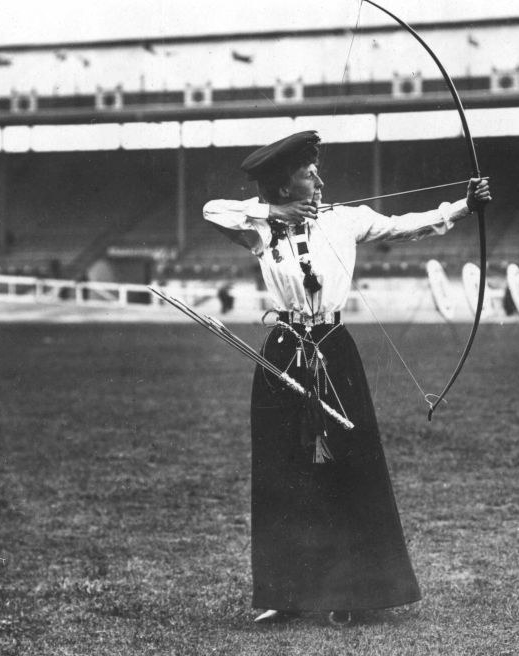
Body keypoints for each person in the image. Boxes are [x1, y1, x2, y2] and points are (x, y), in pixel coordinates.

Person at [202, 130, 490, 626]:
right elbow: (211, 209)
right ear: (285, 185)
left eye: (316, 170)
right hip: (283, 351)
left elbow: (404, 226)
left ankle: (355, 593)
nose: (318, 178)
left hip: (333, 349)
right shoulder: (259, 225)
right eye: (307, 173)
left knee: (349, 466)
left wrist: (462, 207)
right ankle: (285, 593)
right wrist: (274, 215)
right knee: (281, 468)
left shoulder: (344, 219)